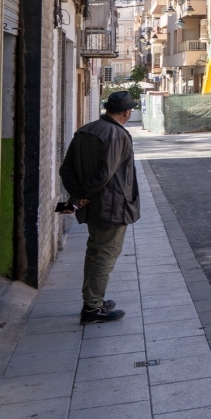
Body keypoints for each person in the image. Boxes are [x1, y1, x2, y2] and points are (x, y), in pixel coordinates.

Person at [60, 91, 140, 324]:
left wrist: (78, 196)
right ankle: (93, 308)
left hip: (95, 206)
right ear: (127, 113)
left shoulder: (85, 130)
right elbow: (106, 174)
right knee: (105, 256)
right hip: (112, 207)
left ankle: (93, 300)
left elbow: (65, 169)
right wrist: (82, 196)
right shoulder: (117, 134)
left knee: (95, 253)